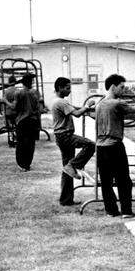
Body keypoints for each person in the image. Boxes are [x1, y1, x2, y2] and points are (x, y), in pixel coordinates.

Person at [94, 74, 135, 218]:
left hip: (100, 146)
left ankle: (111, 210)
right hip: (114, 145)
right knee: (124, 180)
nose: (123, 90)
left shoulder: (99, 103)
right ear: (113, 86)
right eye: (121, 87)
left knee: (106, 181)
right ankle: (126, 211)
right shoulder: (116, 103)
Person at [50, 77, 96, 206]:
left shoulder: (60, 102)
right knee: (90, 145)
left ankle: (66, 199)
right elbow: (76, 113)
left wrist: (86, 109)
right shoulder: (61, 102)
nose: (69, 90)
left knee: (66, 168)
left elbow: (75, 108)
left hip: (61, 136)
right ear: (60, 88)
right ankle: (74, 165)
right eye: (67, 88)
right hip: (65, 136)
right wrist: (87, 106)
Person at [12, 73, 44, 171]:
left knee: (21, 143)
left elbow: (14, 107)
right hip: (33, 121)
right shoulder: (36, 93)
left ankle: (21, 164)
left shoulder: (18, 93)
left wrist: (5, 101)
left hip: (22, 121)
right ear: (30, 82)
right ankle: (27, 164)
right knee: (31, 144)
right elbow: (40, 108)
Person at [1, 76, 19, 147]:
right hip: (16, 113)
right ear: (15, 82)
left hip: (8, 112)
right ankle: (16, 139)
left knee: (10, 127)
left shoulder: (6, 91)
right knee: (16, 126)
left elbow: (3, 100)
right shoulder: (17, 91)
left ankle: (11, 139)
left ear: (9, 82)